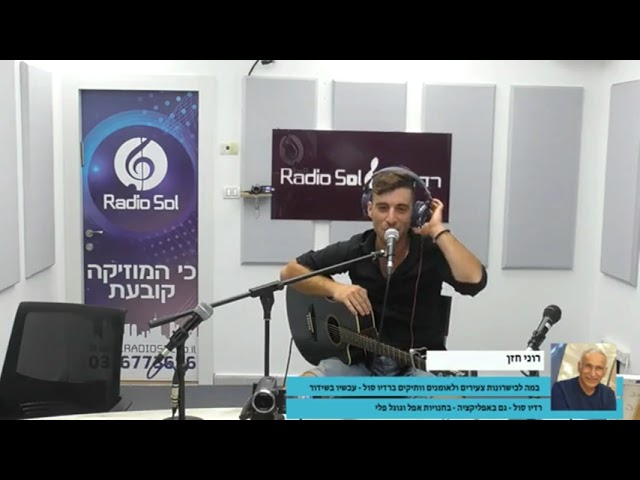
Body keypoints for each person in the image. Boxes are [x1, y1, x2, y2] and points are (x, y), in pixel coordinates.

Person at [279, 166, 488, 377]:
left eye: (401, 209)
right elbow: (290, 272)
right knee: (304, 388)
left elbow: (475, 281)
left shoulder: (429, 251)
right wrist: (336, 289)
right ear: (370, 209)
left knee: (437, 394)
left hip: (417, 367)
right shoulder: (359, 248)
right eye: (383, 208)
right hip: (360, 362)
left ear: (415, 213)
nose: (391, 218)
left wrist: (437, 230)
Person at [550, 347, 616, 410]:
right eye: (588, 366)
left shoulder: (608, 395)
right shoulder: (561, 390)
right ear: (579, 367)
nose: (592, 374)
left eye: (598, 368)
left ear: (604, 372)